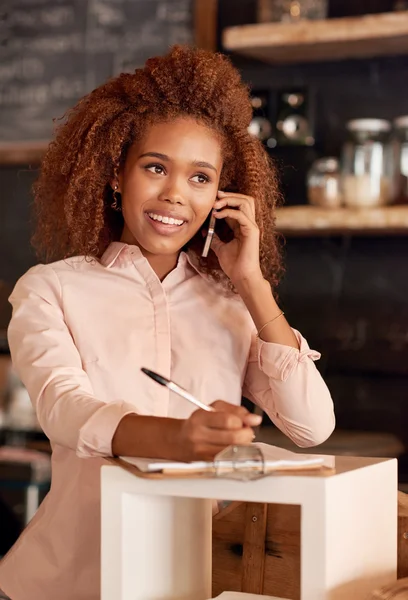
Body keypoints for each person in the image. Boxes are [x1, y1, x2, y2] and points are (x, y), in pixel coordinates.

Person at [0, 45, 335, 600]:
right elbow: (65, 411)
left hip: (196, 581)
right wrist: (179, 440)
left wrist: (252, 283)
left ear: (222, 195)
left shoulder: (231, 302)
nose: (175, 194)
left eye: (200, 178)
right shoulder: (50, 288)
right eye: (155, 167)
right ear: (116, 174)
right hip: (72, 581)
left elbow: (311, 426)